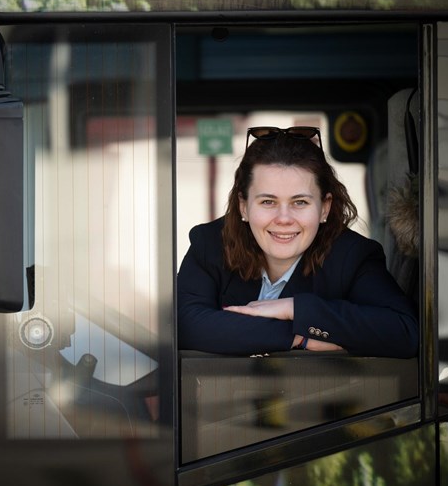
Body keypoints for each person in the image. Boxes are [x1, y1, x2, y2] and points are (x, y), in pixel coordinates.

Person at [177, 126, 418, 358]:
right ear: (243, 206)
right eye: (268, 202)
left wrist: (296, 309)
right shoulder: (209, 243)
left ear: (324, 208)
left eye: (300, 202)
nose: (284, 219)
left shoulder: (352, 255)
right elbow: (184, 325)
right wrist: (298, 338)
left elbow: (404, 333)